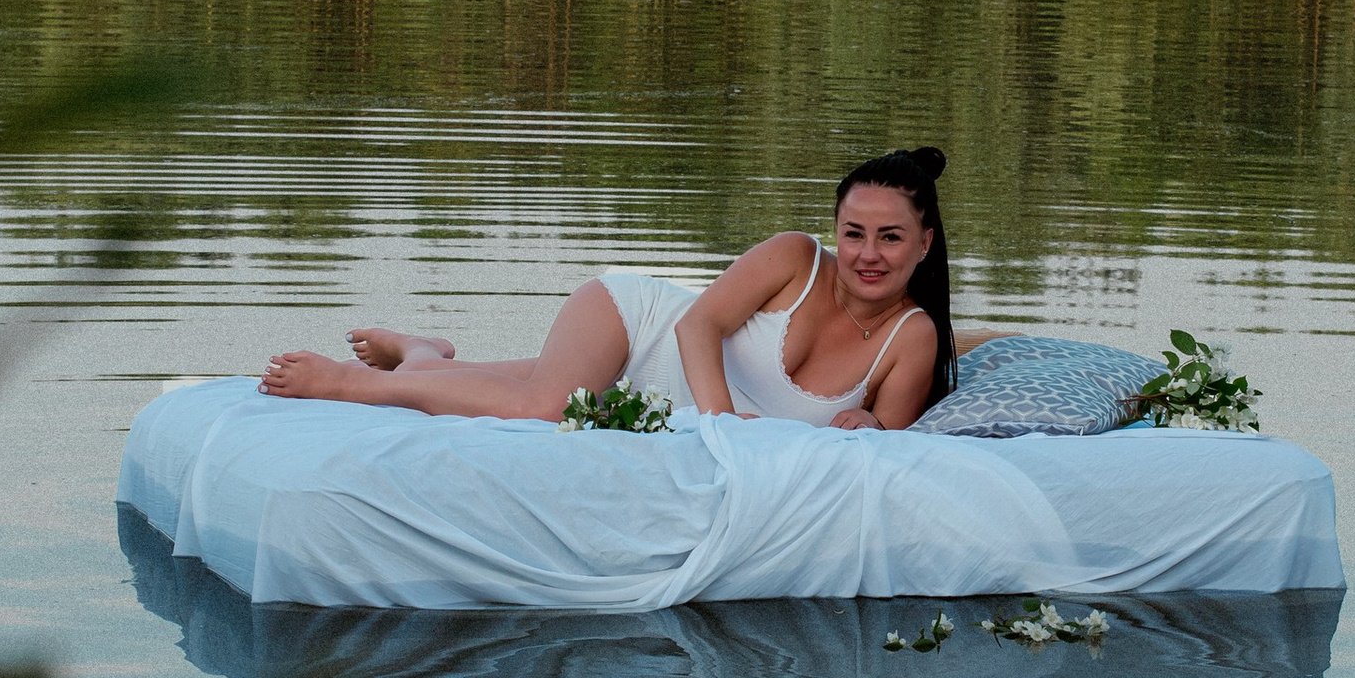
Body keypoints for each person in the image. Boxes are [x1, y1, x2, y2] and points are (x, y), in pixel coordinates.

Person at [256, 147, 960, 432]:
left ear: (924, 243)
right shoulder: (796, 257)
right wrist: (721, 427)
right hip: (636, 324)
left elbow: (891, 447)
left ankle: (422, 354)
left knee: (494, 387)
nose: (867, 255)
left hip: (654, 403)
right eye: (854, 232)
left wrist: (870, 428)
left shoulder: (912, 338)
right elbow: (696, 326)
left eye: (890, 237)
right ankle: (348, 384)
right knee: (547, 404)